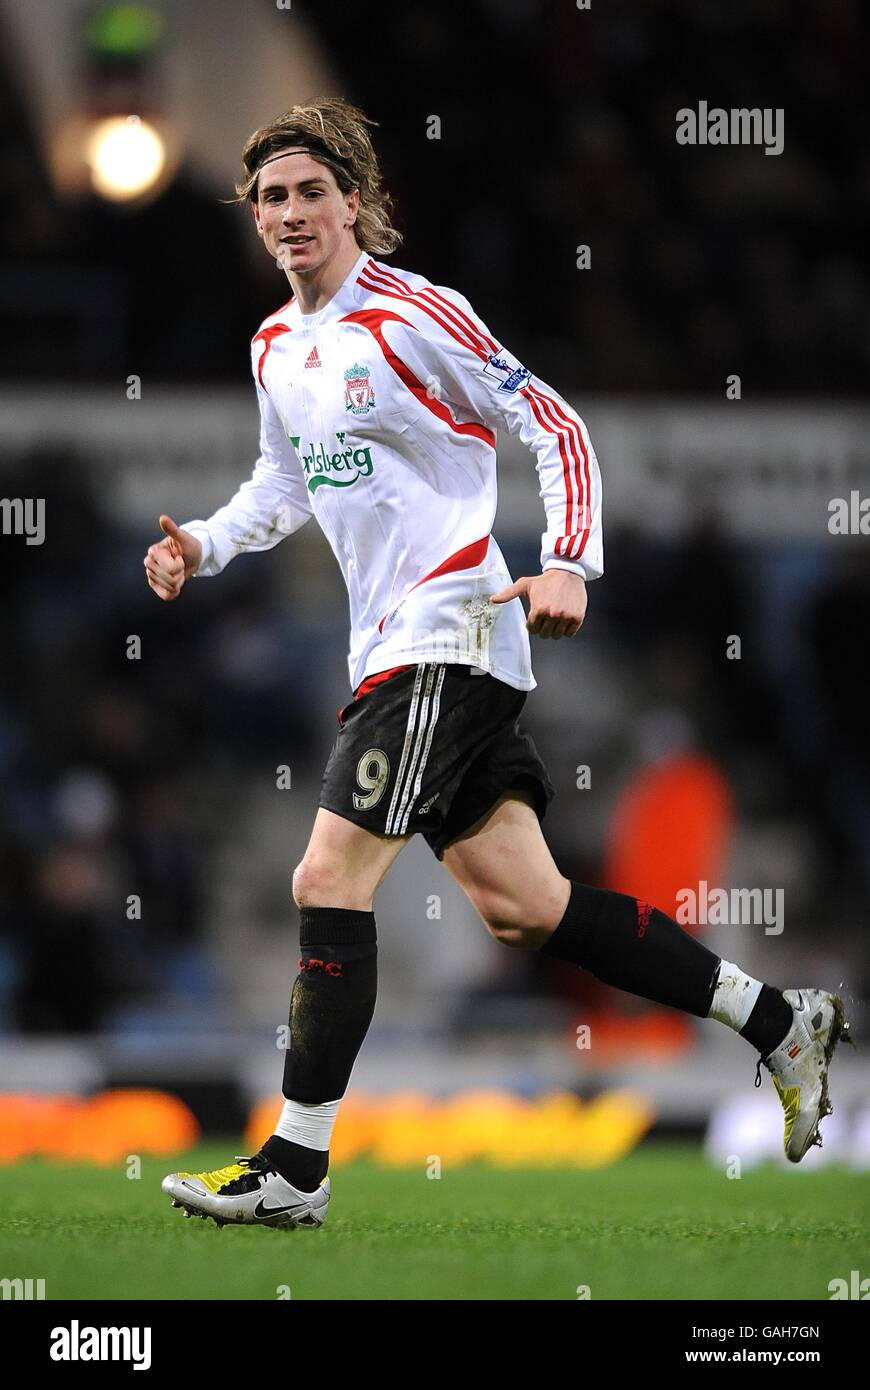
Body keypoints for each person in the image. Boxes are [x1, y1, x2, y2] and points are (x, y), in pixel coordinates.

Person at [146, 99, 850, 1230]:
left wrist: (569, 558)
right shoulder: (276, 345)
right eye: (271, 197)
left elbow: (553, 423)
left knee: (326, 879)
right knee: (529, 906)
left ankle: (294, 1168)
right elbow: (281, 487)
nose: (289, 214)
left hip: (449, 632)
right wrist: (204, 545)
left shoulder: (416, 314)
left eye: (310, 192)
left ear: (358, 203)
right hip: (388, 646)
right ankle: (779, 1021)